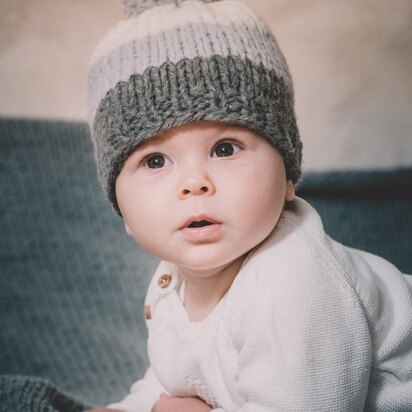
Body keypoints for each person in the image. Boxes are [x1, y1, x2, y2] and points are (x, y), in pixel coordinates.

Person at [85, 0, 412, 411]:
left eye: (224, 149)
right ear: (122, 210)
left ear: (288, 175)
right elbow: (175, 376)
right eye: (155, 161)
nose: (194, 183)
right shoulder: (173, 281)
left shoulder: (295, 284)